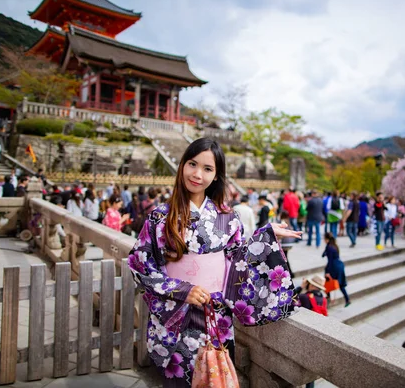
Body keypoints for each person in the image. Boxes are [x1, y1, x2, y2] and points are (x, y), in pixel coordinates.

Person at [127, 138, 300, 386]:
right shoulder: (160, 216)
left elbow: (238, 259)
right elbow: (139, 263)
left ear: (217, 176)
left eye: (208, 169)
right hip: (176, 312)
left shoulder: (228, 217)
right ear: (182, 166)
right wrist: (181, 290)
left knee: (214, 377)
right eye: (192, 164)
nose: (197, 174)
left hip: (215, 314)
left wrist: (265, 236)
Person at [322, 232, 351, 307]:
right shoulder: (333, 245)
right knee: (340, 284)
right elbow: (326, 253)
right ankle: (347, 299)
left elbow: (330, 260)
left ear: (327, 239)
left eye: (324, 239)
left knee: (327, 280)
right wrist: (324, 254)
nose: (323, 240)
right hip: (339, 265)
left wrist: (328, 271)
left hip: (334, 267)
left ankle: (328, 297)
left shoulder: (329, 247)